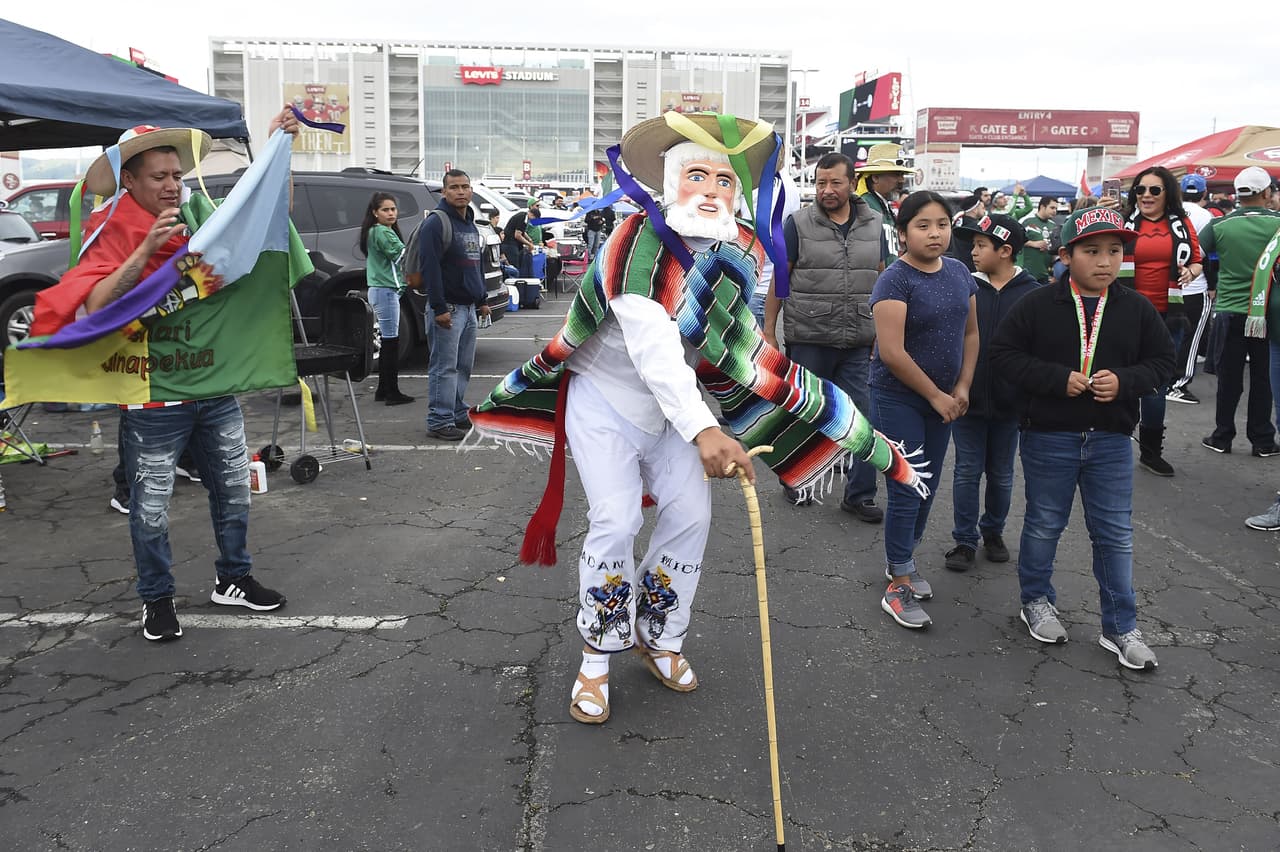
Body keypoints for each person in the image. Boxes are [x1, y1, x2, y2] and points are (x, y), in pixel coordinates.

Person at [468, 113, 928, 724]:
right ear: (668, 179)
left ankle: (658, 634)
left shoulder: (738, 250)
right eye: (696, 175)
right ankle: (597, 655)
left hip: (672, 412)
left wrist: (829, 424)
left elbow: (736, 346)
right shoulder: (634, 240)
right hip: (604, 400)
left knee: (691, 515)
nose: (712, 190)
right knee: (613, 518)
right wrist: (705, 429)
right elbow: (654, 345)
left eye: (724, 179)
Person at [30, 113, 300, 641]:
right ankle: (157, 599)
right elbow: (94, 308)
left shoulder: (196, 209)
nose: (173, 185)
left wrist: (278, 147)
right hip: (152, 397)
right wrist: (146, 251)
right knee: (150, 507)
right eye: (160, 177)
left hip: (213, 383)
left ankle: (235, 577)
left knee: (234, 492)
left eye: (177, 174)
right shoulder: (108, 228)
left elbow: (258, 221)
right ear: (129, 179)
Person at [990, 206, 1175, 670]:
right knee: (1044, 524)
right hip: (1049, 434)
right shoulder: (1036, 304)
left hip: (1111, 439)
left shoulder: (1135, 308)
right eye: (1091, 251)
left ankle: (1120, 627)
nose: (1105, 262)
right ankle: (1036, 601)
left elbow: (1162, 363)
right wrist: (1055, 379)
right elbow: (1003, 356)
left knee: (1114, 534)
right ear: (1066, 255)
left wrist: (1127, 381)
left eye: (1114, 251)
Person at [870, 191, 979, 629]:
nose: (935, 234)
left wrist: (964, 385)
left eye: (942, 224)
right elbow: (892, 352)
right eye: (923, 225)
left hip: (947, 397)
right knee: (905, 485)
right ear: (902, 233)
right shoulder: (894, 281)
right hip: (898, 398)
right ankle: (897, 580)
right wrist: (937, 395)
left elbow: (971, 334)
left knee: (927, 486)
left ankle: (904, 557)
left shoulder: (958, 272)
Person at [764, 151, 883, 521]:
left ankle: (859, 494)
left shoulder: (876, 224)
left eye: (835, 182)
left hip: (860, 337)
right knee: (806, 413)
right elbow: (779, 281)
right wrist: (769, 329)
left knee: (863, 417)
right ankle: (799, 481)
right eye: (820, 183)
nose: (827, 190)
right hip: (810, 335)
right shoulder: (797, 224)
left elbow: (882, 278)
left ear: (851, 183)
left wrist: (884, 334)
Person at [944, 214, 1040, 572]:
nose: (972, 251)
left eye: (981, 245)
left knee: (1001, 472)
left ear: (1005, 251)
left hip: (1010, 403)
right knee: (967, 469)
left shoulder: (1032, 293)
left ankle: (993, 531)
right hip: (964, 398)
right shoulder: (963, 285)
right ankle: (964, 540)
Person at [1118, 166, 1203, 476]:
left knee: (1156, 384)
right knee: (1120, 379)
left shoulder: (1182, 225)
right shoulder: (1122, 223)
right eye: (1140, 190)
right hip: (1125, 312)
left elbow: (1196, 258)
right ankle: (1112, 443)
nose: (1146, 196)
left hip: (1168, 316)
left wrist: (1191, 271)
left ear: (1168, 193)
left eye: (1154, 190)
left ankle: (1151, 451)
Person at [1199, 167, 1280, 456]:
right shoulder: (1278, 224)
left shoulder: (1219, 225)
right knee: (1263, 378)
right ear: (1266, 193)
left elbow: (1198, 253)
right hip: (1267, 311)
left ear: (1237, 194)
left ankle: (1222, 436)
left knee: (1229, 378)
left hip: (1229, 310)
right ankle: (1263, 440)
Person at [418, 169, 490, 441]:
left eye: (465, 187)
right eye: (454, 187)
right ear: (444, 192)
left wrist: (482, 300)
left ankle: (456, 411)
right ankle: (439, 419)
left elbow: (476, 265)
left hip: (469, 307)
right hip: (448, 308)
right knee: (444, 367)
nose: (461, 192)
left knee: (462, 366)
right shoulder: (436, 223)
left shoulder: (469, 222)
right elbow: (430, 269)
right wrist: (439, 308)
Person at [360, 192, 414, 406]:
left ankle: (384, 389)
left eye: (393, 209)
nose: (391, 213)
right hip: (385, 290)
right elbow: (403, 255)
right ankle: (391, 392)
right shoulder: (382, 232)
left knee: (389, 342)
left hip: (382, 289)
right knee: (391, 342)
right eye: (385, 209)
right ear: (375, 213)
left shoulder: (376, 231)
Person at [1165, 174, 1215, 405]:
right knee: (1190, 338)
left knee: (1165, 334)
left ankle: (1163, 380)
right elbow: (1208, 256)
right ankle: (1177, 384)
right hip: (1195, 286)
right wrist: (1213, 285)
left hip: (1166, 286)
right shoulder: (1206, 216)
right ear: (1204, 194)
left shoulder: (1165, 211)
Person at [857, 143, 915, 265]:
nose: (902, 180)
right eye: (896, 174)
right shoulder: (864, 206)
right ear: (875, 177)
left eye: (902, 175)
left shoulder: (883, 206)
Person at [1018, 196, 1058, 284]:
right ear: (1042, 207)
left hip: (1045, 274)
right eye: (1052, 208)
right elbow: (1015, 240)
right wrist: (1033, 244)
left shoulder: (1053, 225)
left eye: (1056, 208)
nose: (1055, 211)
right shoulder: (1026, 221)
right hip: (1027, 273)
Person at [948, 193, 985, 272]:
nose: (984, 210)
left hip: (956, 266)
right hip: (972, 268)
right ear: (975, 209)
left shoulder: (957, 222)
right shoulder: (977, 227)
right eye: (982, 208)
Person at [502, 202, 536, 277]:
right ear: (531, 215)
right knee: (514, 268)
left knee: (516, 265)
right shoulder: (523, 218)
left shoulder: (523, 216)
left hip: (513, 244)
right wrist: (529, 244)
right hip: (509, 244)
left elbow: (522, 231)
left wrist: (529, 239)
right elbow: (517, 235)